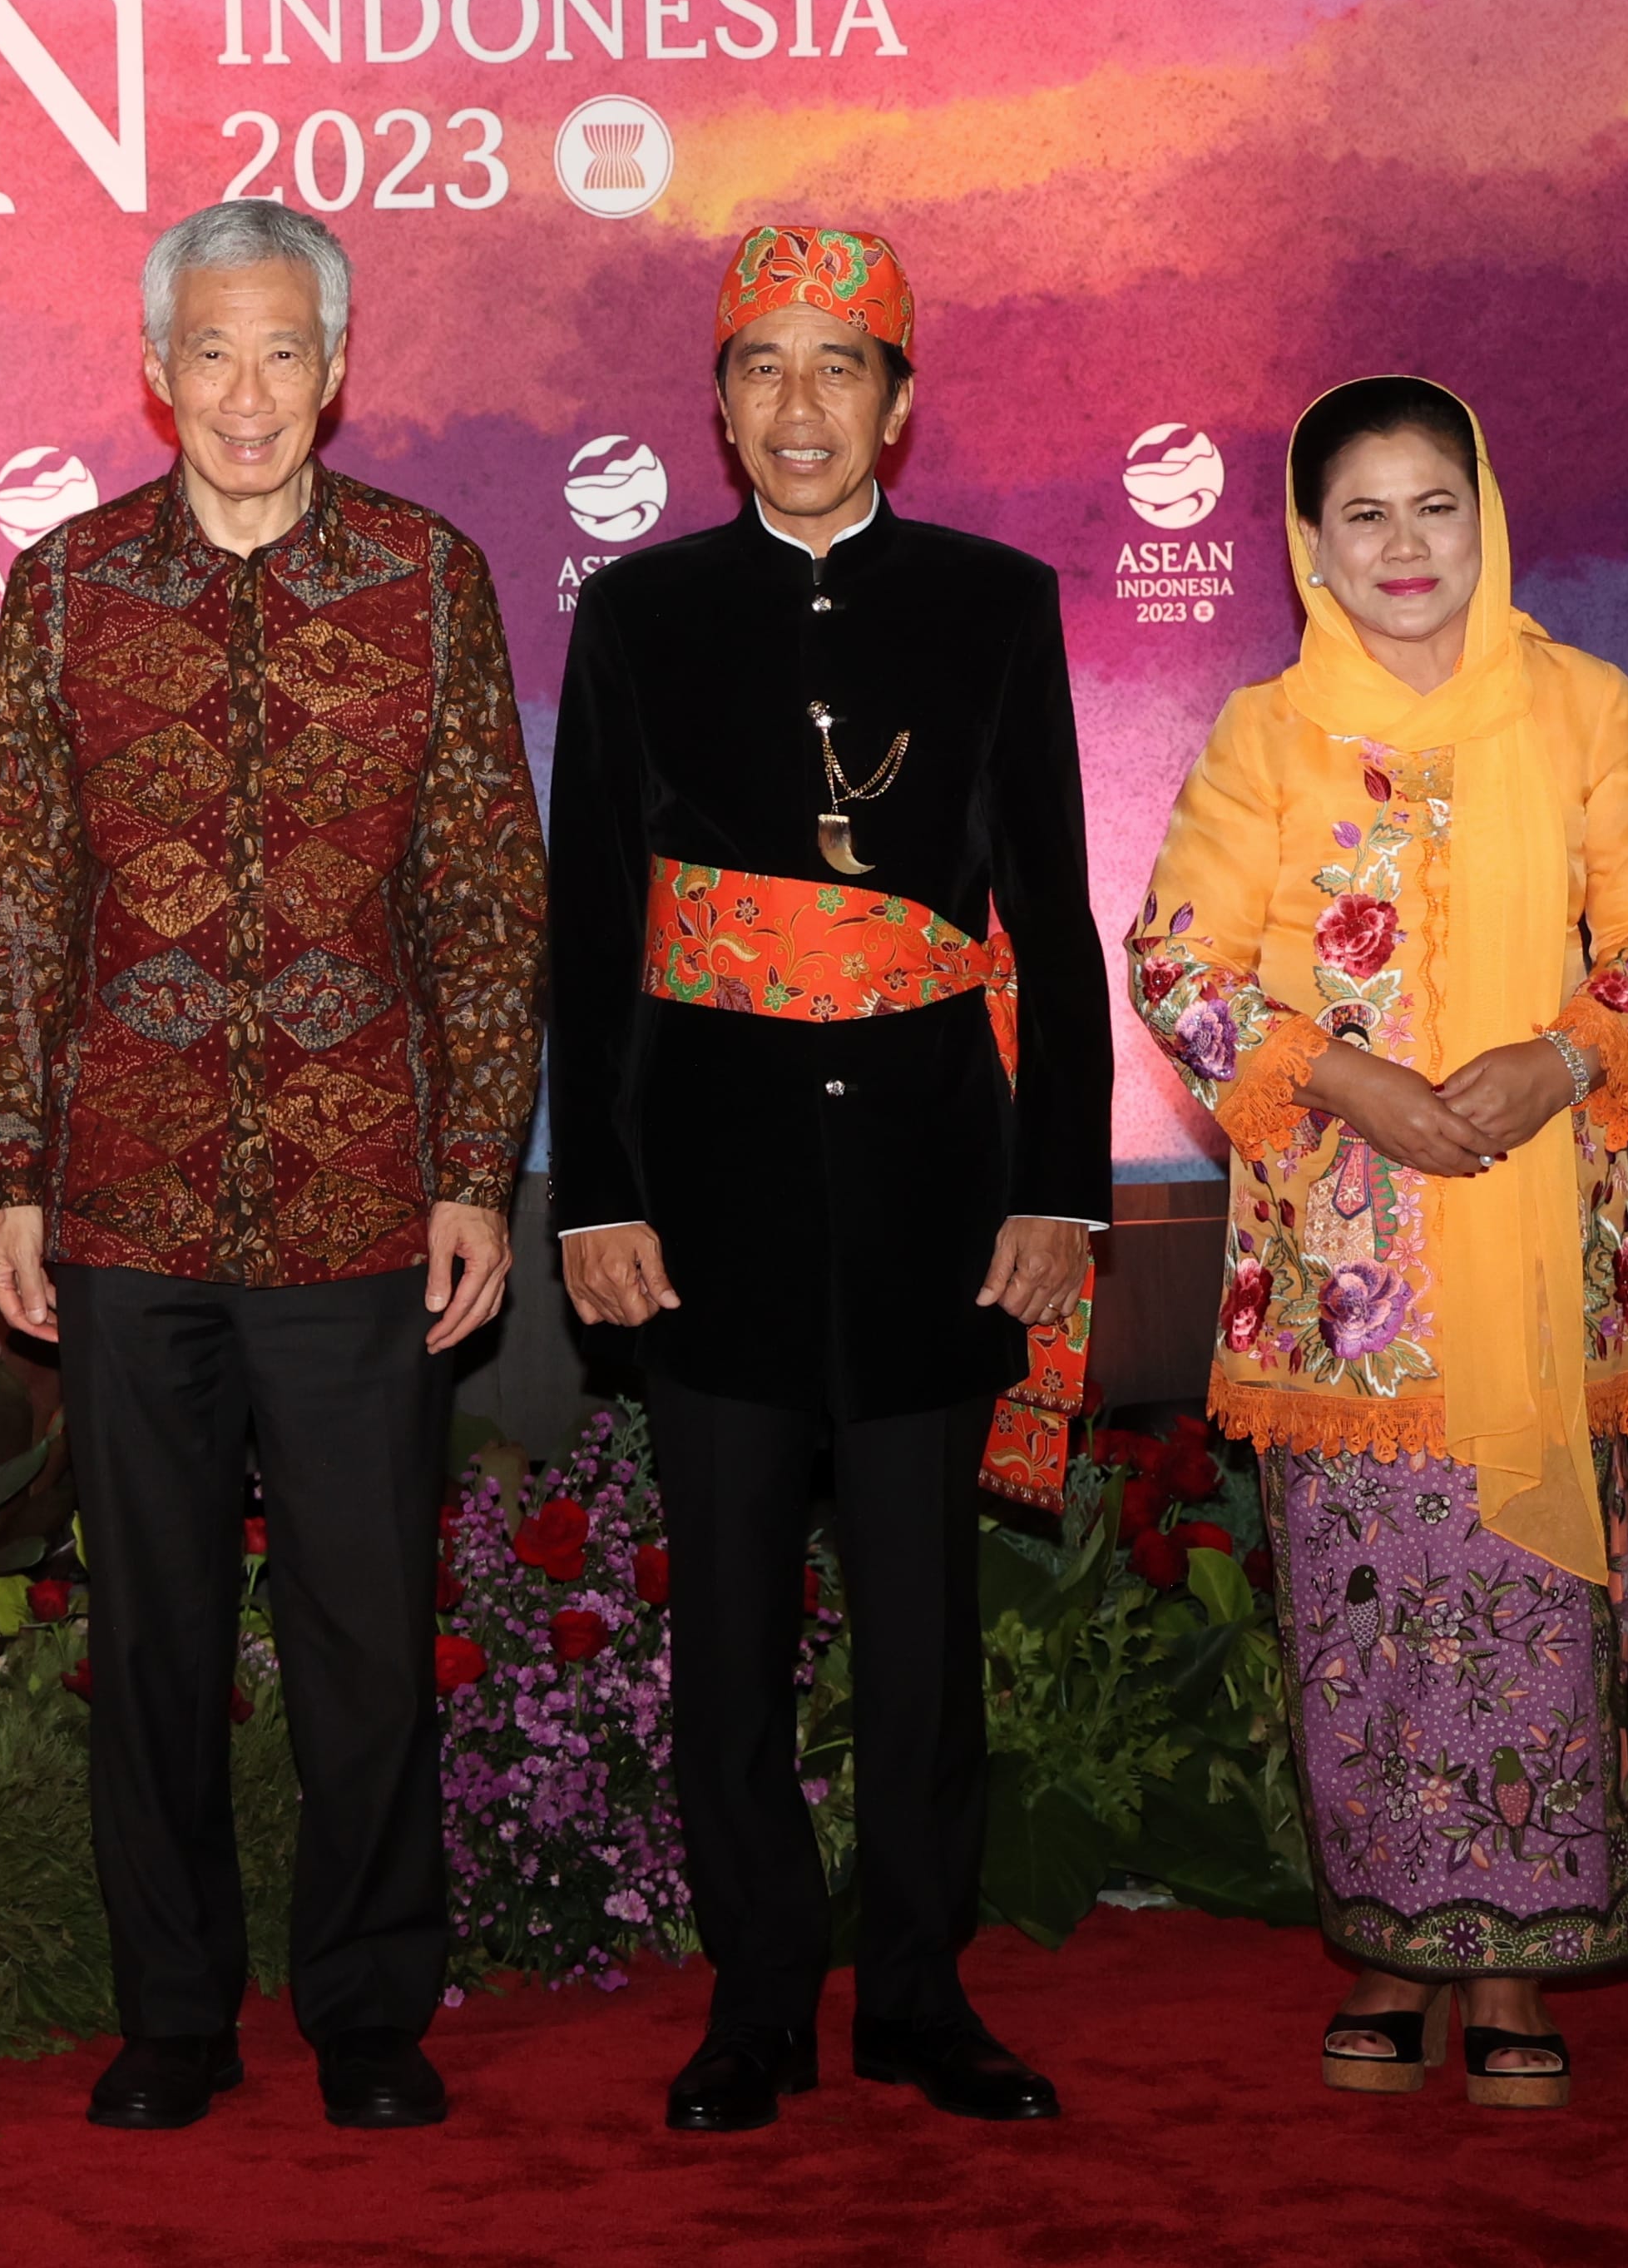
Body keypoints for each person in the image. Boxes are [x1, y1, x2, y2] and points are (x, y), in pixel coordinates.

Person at [0, 197, 547, 2133]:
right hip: (120, 1195)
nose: (246, 391)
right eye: (209, 350)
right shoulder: (63, 589)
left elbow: (479, 889)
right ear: (156, 369)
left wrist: (474, 1165)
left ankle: (371, 2008)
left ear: (337, 370)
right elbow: (12, 894)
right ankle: (175, 2015)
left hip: (364, 1192)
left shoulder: (427, 580)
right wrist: (11, 1169)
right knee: (152, 1638)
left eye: (283, 350)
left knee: (370, 1628)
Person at [551, 226, 1108, 2133]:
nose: (799, 403)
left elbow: (1048, 905)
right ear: (714, 407)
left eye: (838, 365)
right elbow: (583, 928)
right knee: (723, 1638)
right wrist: (597, 1196)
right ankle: (758, 2002)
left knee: (919, 1633)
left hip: (937, 1198)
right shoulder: (635, 618)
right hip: (701, 1204)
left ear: (896, 400)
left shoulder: (990, 603)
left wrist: (1055, 1190)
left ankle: (923, 1997)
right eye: (761, 367)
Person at [1126, 375, 1628, 2109]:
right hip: (1348, 1274)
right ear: (1308, 544)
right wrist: (1340, 1078)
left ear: (1484, 513)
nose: (1402, 546)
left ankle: (1517, 1977)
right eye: (1361, 515)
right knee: (1367, 1619)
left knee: (1537, 1616)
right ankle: (1391, 1946)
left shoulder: (1580, 707)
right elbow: (1177, 958)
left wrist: (1556, 1055)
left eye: (1431, 506)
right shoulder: (1266, 734)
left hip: (1544, 1246)